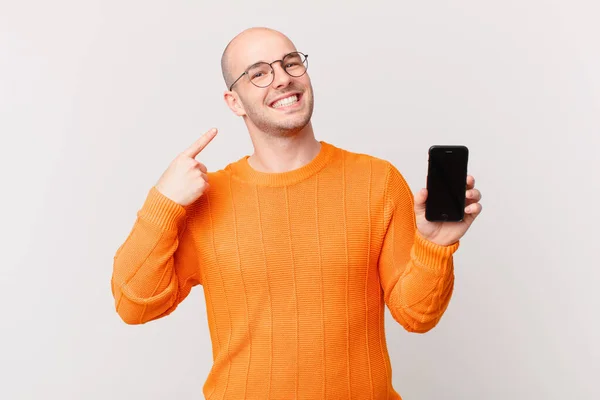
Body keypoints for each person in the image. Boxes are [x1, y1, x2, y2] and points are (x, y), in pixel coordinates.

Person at [111, 27, 483, 400]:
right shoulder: (206, 199)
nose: (283, 78)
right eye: (258, 73)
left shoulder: (376, 181)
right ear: (235, 102)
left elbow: (417, 316)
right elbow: (133, 305)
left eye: (291, 63)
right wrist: (163, 200)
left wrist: (434, 247)